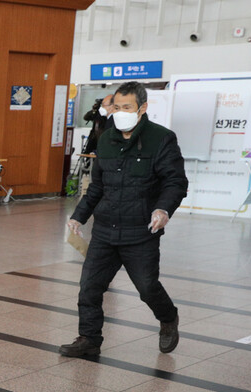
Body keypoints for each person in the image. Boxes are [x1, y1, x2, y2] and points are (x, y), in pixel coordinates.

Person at [61, 81, 187, 358]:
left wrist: (163, 210)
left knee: (147, 288)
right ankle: (89, 339)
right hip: (105, 231)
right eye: (116, 107)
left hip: (140, 232)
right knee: (89, 289)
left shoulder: (161, 138)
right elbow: (97, 186)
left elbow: (175, 182)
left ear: (142, 108)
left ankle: (168, 318)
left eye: (126, 107)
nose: (120, 112)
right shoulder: (106, 138)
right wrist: (78, 216)